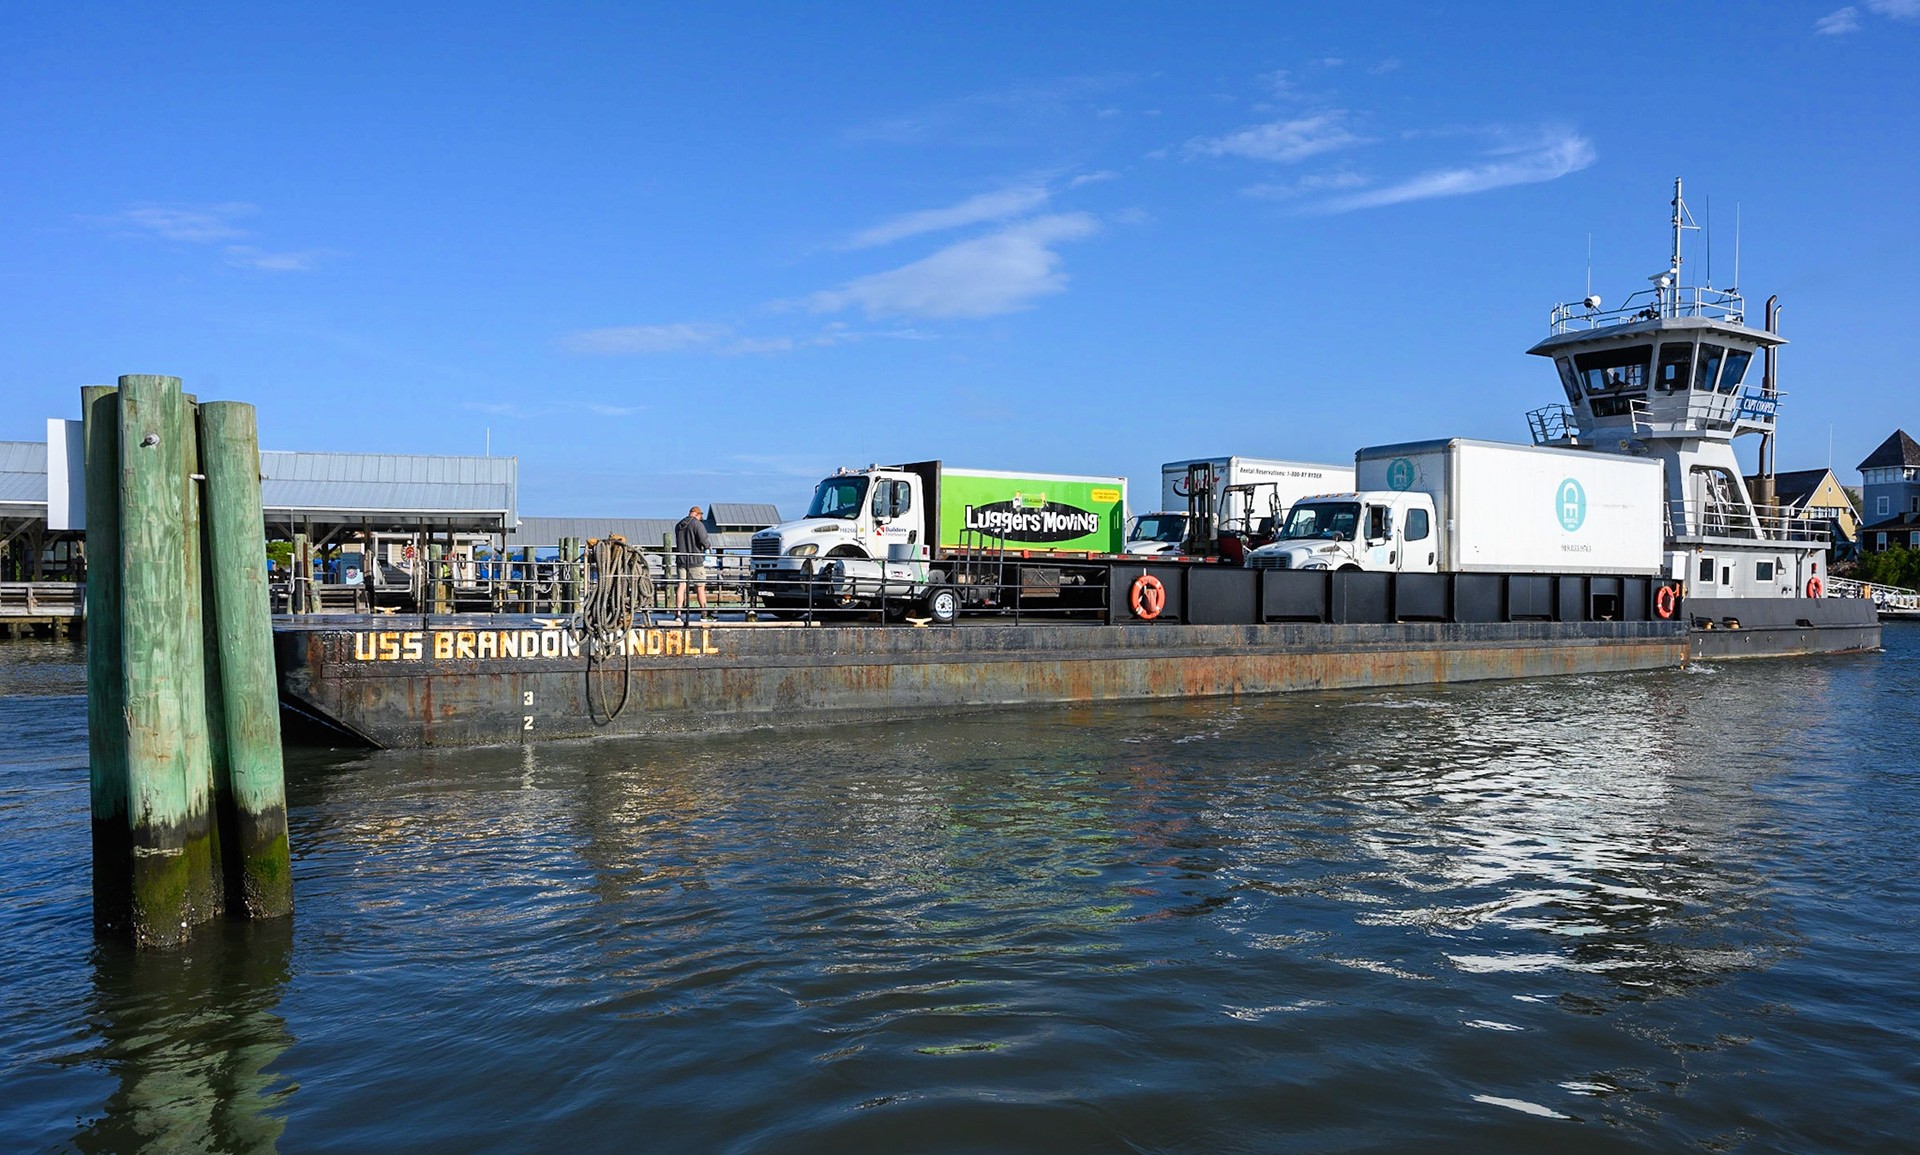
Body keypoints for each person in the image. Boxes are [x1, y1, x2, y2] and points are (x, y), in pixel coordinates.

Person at [673, 505, 711, 621]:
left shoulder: (678, 525)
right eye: (700, 516)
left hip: (681, 560)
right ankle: (704, 614)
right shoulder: (697, 524)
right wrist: (708, 546)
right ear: (697, 514)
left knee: (681, 586)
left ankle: (678, 614)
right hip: (695, 560)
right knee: (700, 587)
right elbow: (703, 539)